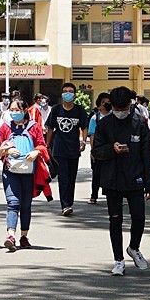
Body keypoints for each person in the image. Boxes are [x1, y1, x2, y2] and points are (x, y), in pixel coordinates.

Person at [91, 86, 150, 275]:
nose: (119, 113)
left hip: (135, 177)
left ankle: (134, 247)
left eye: (123, 109)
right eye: (116, 109)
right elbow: (96, 151)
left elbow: (146, 155)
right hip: (112, 179)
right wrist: (113, 149)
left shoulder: (140, 123)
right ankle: (118, 260)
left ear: (130, 104)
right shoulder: (104, 124)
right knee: (115, 220)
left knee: (139, 217)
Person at [0, 99, 46, 250]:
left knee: (26, 204)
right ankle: (10, 235)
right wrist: (7, 151)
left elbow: (42, 145)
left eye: (17, 110)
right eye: (11, 110)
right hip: (10, 170)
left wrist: (36, 152)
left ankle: (24, 236)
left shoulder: (34, 127)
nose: (14, 113)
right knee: (13, 203)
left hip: (28, 171)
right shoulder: (5, 128)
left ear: (24, 110)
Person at [46, 82, 88, 217]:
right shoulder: (56, 109)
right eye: (65, 91)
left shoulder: (79, 110)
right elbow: (50, 128)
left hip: (73, 149)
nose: (68, 93)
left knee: (71, 177)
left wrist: (83, 141)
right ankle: (65, 205)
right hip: (59, 149)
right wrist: (47, 145)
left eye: (70, 91)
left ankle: (69, 202)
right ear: (62, 94)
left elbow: (84, 127)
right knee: (63, 177)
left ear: (74, 95)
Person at [87, 92, 111, 205]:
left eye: (108, 102)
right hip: (99, 149)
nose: (106, 104)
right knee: (96, 173)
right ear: (99, 105)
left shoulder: (113, 116)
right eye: (103, 102)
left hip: (111, 149)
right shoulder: (95, 118)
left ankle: (111, 195)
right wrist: (92, 150)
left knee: (111, 173)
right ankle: (94, 195)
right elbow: (92, 135)